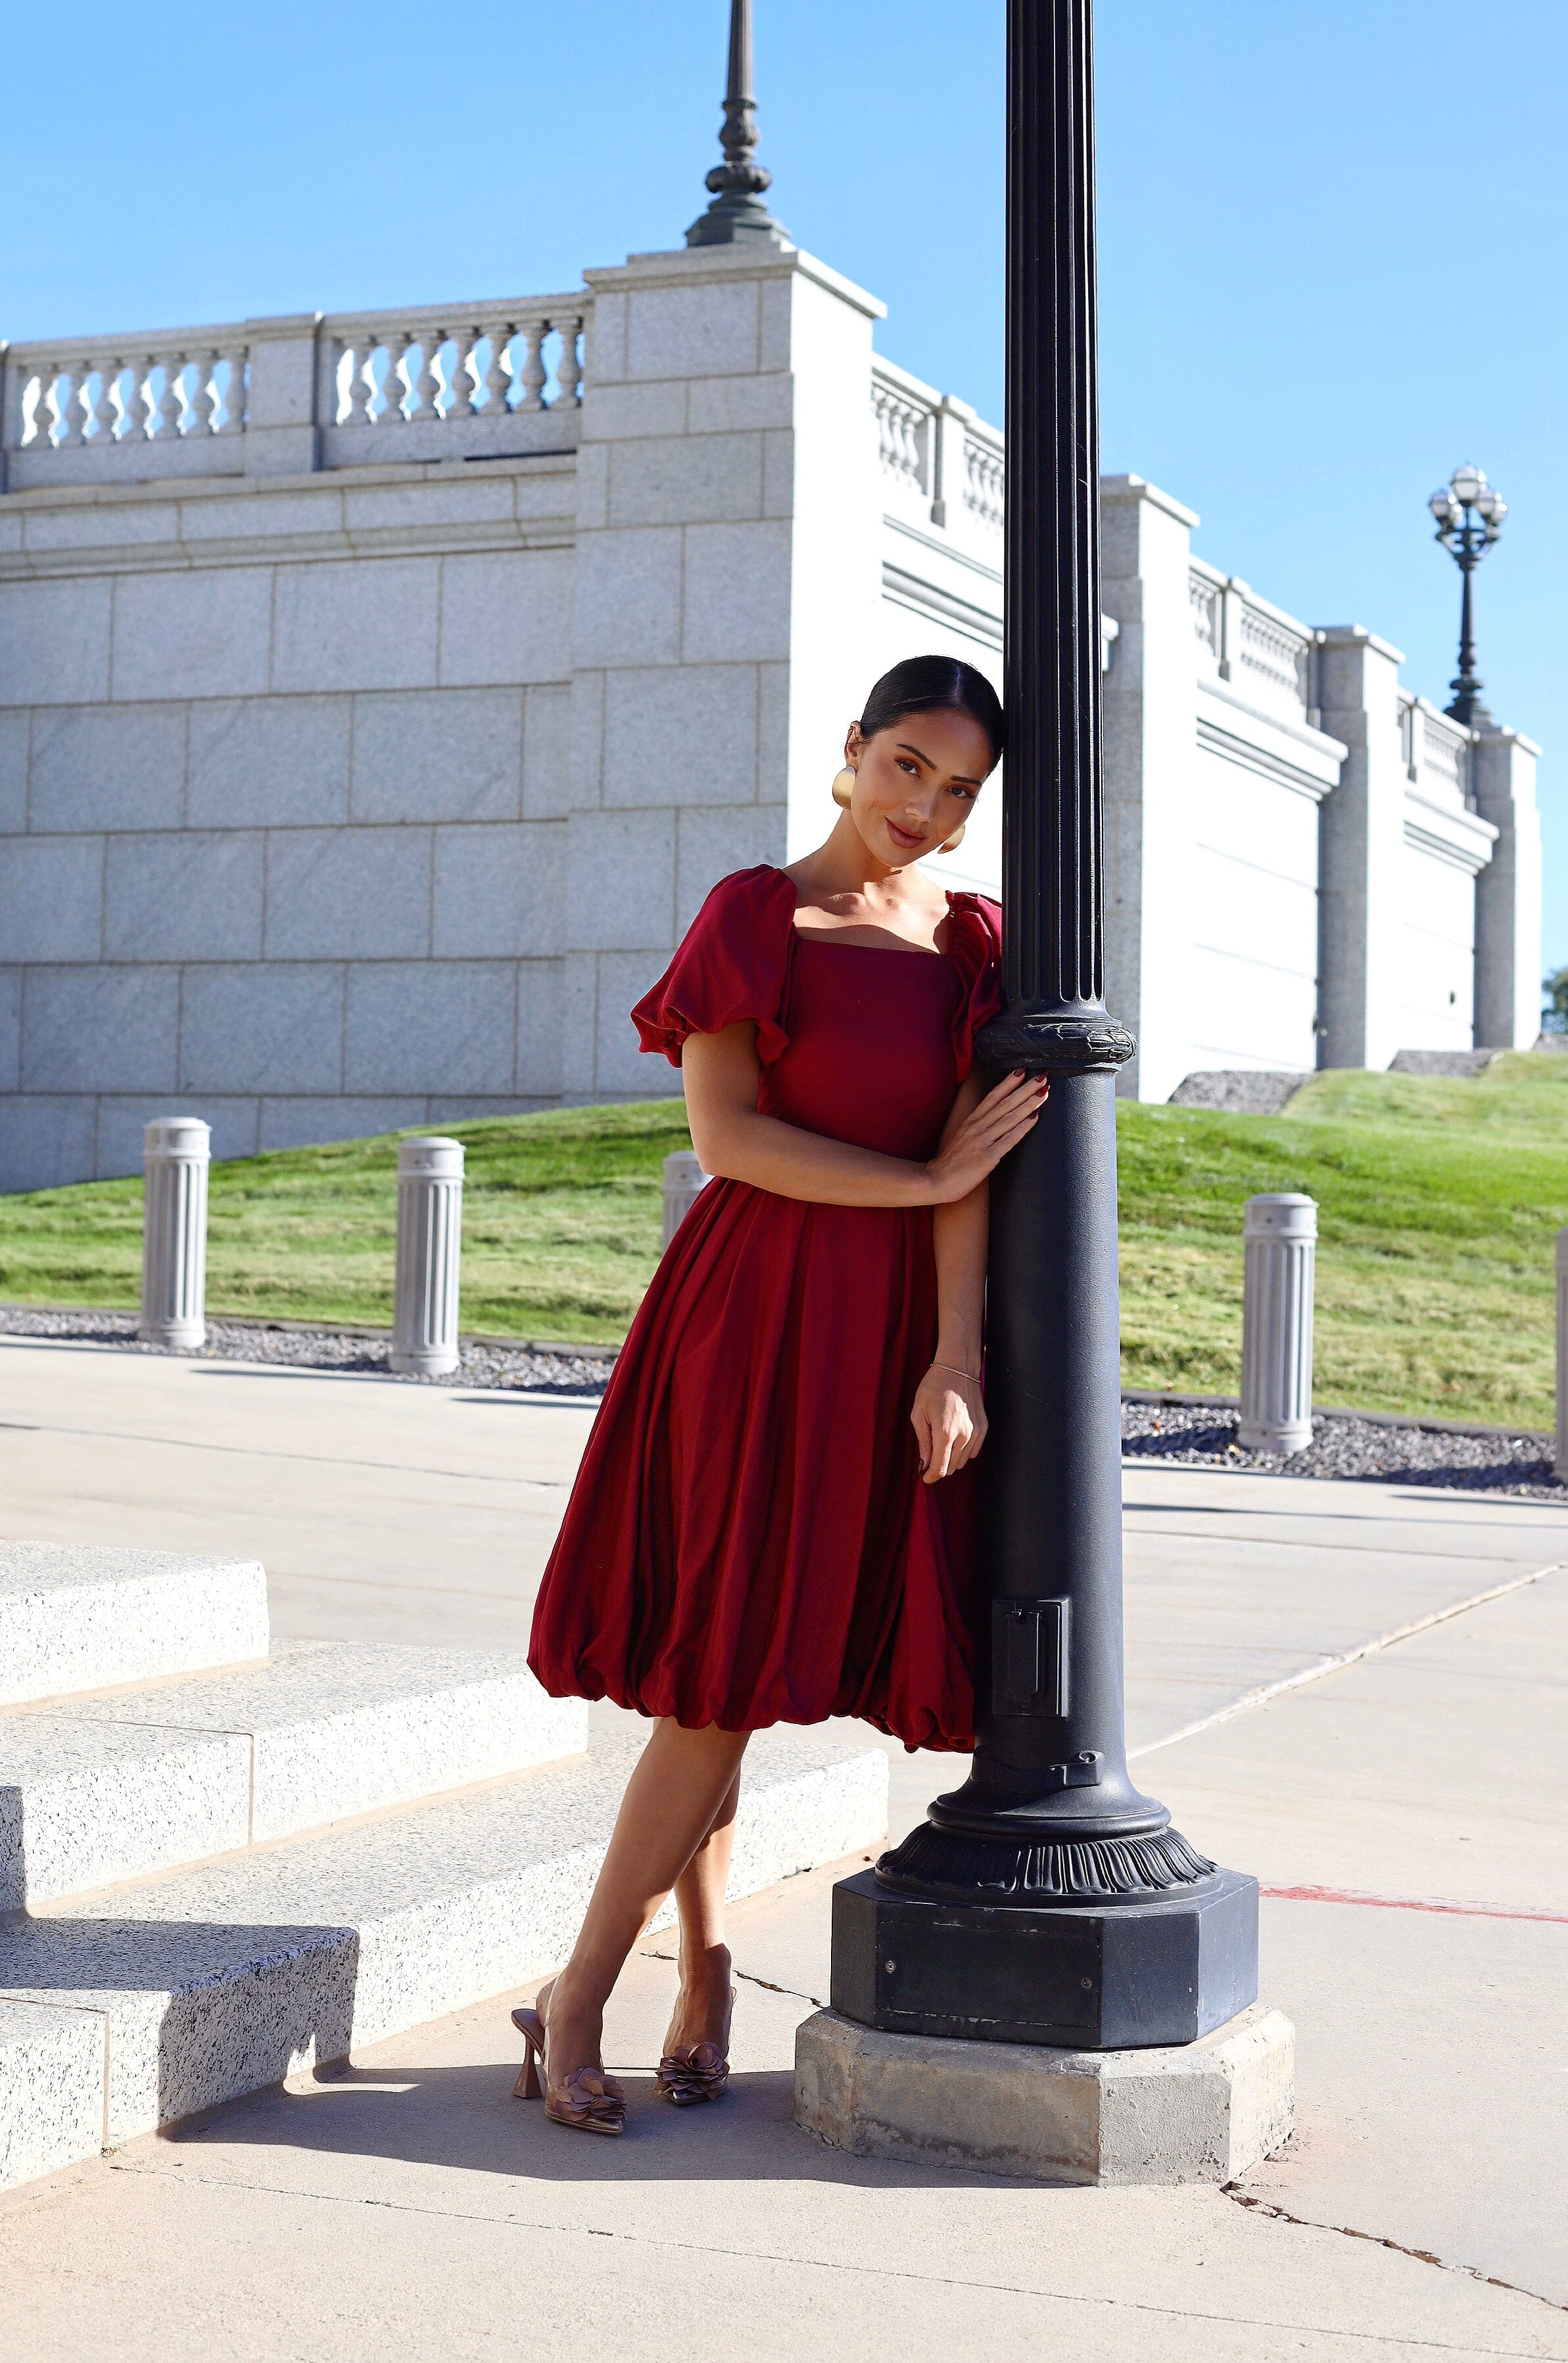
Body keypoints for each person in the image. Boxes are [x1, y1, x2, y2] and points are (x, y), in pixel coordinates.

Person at [513, 654, 1047, 2135]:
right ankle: (582, 1997)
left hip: (883, 1336)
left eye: (958, 792)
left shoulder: (977, 943)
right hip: (748, 1320)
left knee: (737, 1679)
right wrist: (931, 1175)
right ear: (851, 751)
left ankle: (704, 1982)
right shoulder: (758, 916)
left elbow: (974, 1170)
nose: (926, 811)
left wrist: (954, 1356)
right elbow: (733, 1141)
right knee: (716, 1677)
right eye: (908, 770)